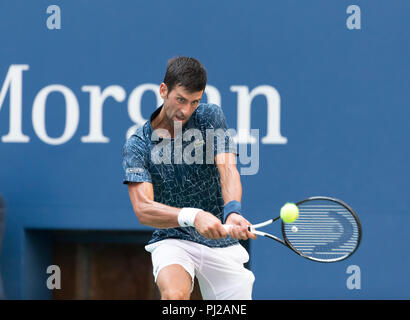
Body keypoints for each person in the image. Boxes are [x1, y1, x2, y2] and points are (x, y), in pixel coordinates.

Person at [122, 57, 256, 300]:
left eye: (194, 102)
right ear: (164, 91)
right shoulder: (138, 145)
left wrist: (233, 211)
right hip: (173, 240)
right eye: (180, 99)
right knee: (175, 297)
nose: (186, 110)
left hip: (222, 244)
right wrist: (193, 216)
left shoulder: (210, 117)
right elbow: (143, 209)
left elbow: (227, 168)